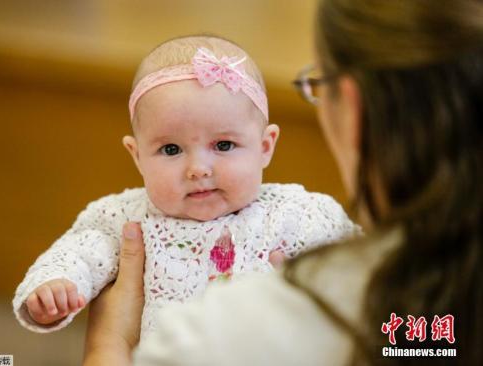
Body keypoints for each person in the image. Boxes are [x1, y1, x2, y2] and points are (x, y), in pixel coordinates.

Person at [82, 0, 482, 365]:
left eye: (317, 86)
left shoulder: (210, 339)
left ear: (354, 109)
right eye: (171, 149)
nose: (198, 169)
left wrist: (108, 342)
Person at [12, 35, 359, 338]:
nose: (198, 169)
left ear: (265, 147)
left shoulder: (301, 214)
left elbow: (372, 270)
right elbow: (77, 254)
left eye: (223, 145)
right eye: (171, 149)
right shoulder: (126, 220)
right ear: (137, 156)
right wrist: (54, 286)